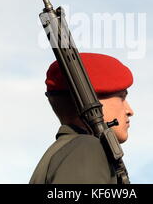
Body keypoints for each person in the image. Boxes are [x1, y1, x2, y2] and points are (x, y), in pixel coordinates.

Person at [29, 52, 135, 184]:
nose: (130, 111)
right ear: (91, 101)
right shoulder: (87, 149)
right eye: (122, 97)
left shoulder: (68, 150)